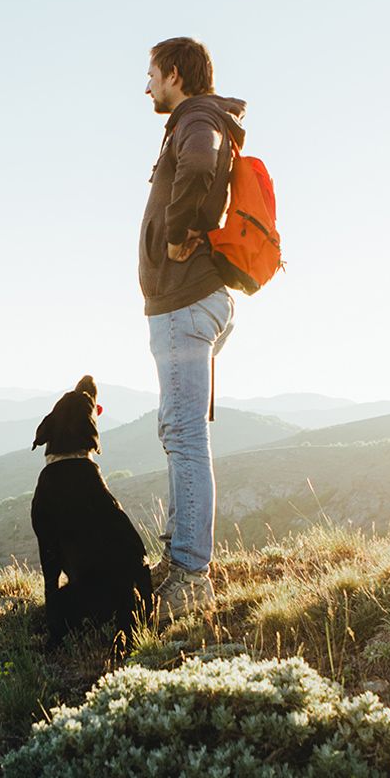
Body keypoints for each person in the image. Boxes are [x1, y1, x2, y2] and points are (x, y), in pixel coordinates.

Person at [137, 36, 246, 618]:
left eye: (151, 73)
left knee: (183, 435)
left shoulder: (197, 119)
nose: (146, 85)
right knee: (177, 431)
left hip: (186, 301)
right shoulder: (197, 120)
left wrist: (177, 236)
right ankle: (180, 562)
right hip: (186, 303)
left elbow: (200, 165)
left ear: (174, 73)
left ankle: (190, 576)